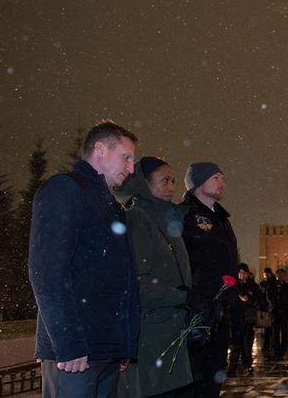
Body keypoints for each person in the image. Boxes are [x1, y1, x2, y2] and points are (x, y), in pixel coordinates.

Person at [28, 121, 140, 398]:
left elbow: (120, 279)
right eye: (126, 157)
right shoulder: (65, 189)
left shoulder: (111, 206)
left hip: (105, 350)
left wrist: (122, 344)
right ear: (100, 149)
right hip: (75, 355)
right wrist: (68, 342)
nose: (131, 168)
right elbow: (46, 273)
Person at [116, 157, 193, 398]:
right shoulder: (139, 218)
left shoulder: (166, 220)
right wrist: (184, 296)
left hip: (170, 334)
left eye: (173, 181)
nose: (172, 187)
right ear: (144, 184)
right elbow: (140, 283)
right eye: (165, 180)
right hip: (151, 338)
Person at [180, 162, 239, 398]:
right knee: (192, 380)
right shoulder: (184, 216)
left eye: (222, 177)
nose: (222, 183)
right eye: (216, 178)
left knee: (214, 379)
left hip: (221, 314)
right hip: (197, 313)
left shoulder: (223, 219)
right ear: (198, 183)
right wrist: (195, 299)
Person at [228, 263, 262, 375]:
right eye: (240, 273)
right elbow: (230, 301)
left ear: (247, 274)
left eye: (244, 272)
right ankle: (232, 368)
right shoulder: (233, 286)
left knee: (247, 345)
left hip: (248, 319)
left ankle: (247, 366)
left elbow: (259, 300)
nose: (242, 275)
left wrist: (249, 299)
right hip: (236, 319)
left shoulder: (253, 286)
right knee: (235, 344)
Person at [273, 269, 288, 356]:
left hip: (285, 312)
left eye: (282, 275)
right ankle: (277, 349)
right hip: (276, 311)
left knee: (285, 331)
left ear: (285, 276)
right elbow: (269, 296)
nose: (280, 276)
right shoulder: (273, 285)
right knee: (275, 331)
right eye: (279, 275)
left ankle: (284, 348)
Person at [258, 267, 278, 354]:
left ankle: (273, 346)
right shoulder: (262, 284)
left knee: (273, 329)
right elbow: (260, 297)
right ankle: (267, 346)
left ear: (270, 273)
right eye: (264, 274)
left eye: (267, 273)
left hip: (274, 308)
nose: (265, 275)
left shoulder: (274, 283)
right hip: (266, 309)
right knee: (266, 328)